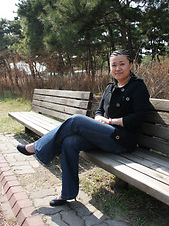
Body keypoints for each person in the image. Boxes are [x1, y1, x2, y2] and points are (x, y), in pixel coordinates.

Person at [17, 49, 150, 206]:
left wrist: (113, 121)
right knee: (70, 142)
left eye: (122, 64)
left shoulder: (138, 87)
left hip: (122, 139)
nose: (117, 68)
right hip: (105, 135)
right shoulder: (110, 88)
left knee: (76, 120)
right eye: (113, 65)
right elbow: (99, 111)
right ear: (110, 67)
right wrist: (99, 118)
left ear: (130, 65)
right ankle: (67, 194)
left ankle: (36, 147)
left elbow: (140, 116)